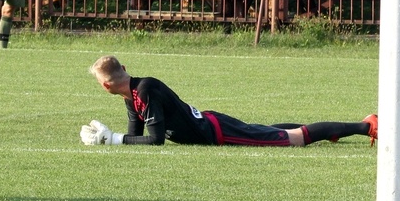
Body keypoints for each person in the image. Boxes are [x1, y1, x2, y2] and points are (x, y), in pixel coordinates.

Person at [81, 55, 378, 147]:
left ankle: (366, 127)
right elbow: (136, 138)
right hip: (212, 123)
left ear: (106, 84)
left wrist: (113, 140)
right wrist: (115, 139)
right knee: (271, 130)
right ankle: (335, 130)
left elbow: (155, 140)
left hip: (217, 132)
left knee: (293, 139)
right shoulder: (131, 95)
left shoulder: (145, 90)